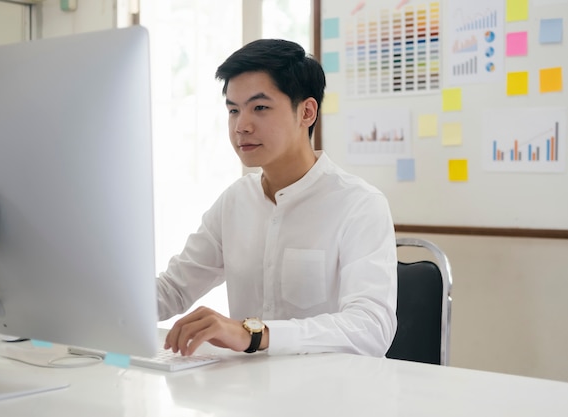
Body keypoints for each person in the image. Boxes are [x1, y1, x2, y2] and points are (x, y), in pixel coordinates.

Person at [157, 38, 397, 357]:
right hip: (247, 394)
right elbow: (173, 289)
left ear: (307, 112)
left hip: (328, 398)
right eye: (233, 110)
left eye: (260, 108)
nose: (241, 126)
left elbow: (371, 327)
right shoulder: (235, 201)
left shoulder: (360, 204)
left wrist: (255, 334)